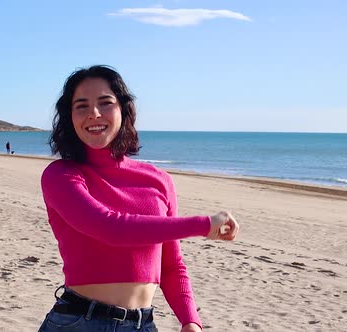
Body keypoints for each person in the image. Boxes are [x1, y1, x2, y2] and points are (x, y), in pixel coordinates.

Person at [39, 65, 240, 332]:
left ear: (124, 109)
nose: (94, 114)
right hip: (78, 322)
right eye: (82, 106)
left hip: (142, 325)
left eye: (105, 103)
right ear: (70, 117)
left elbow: (171, 264)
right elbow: (109, 227)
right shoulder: (60, 175)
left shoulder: (159, 180)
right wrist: (203, 224)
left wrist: (190, 320)